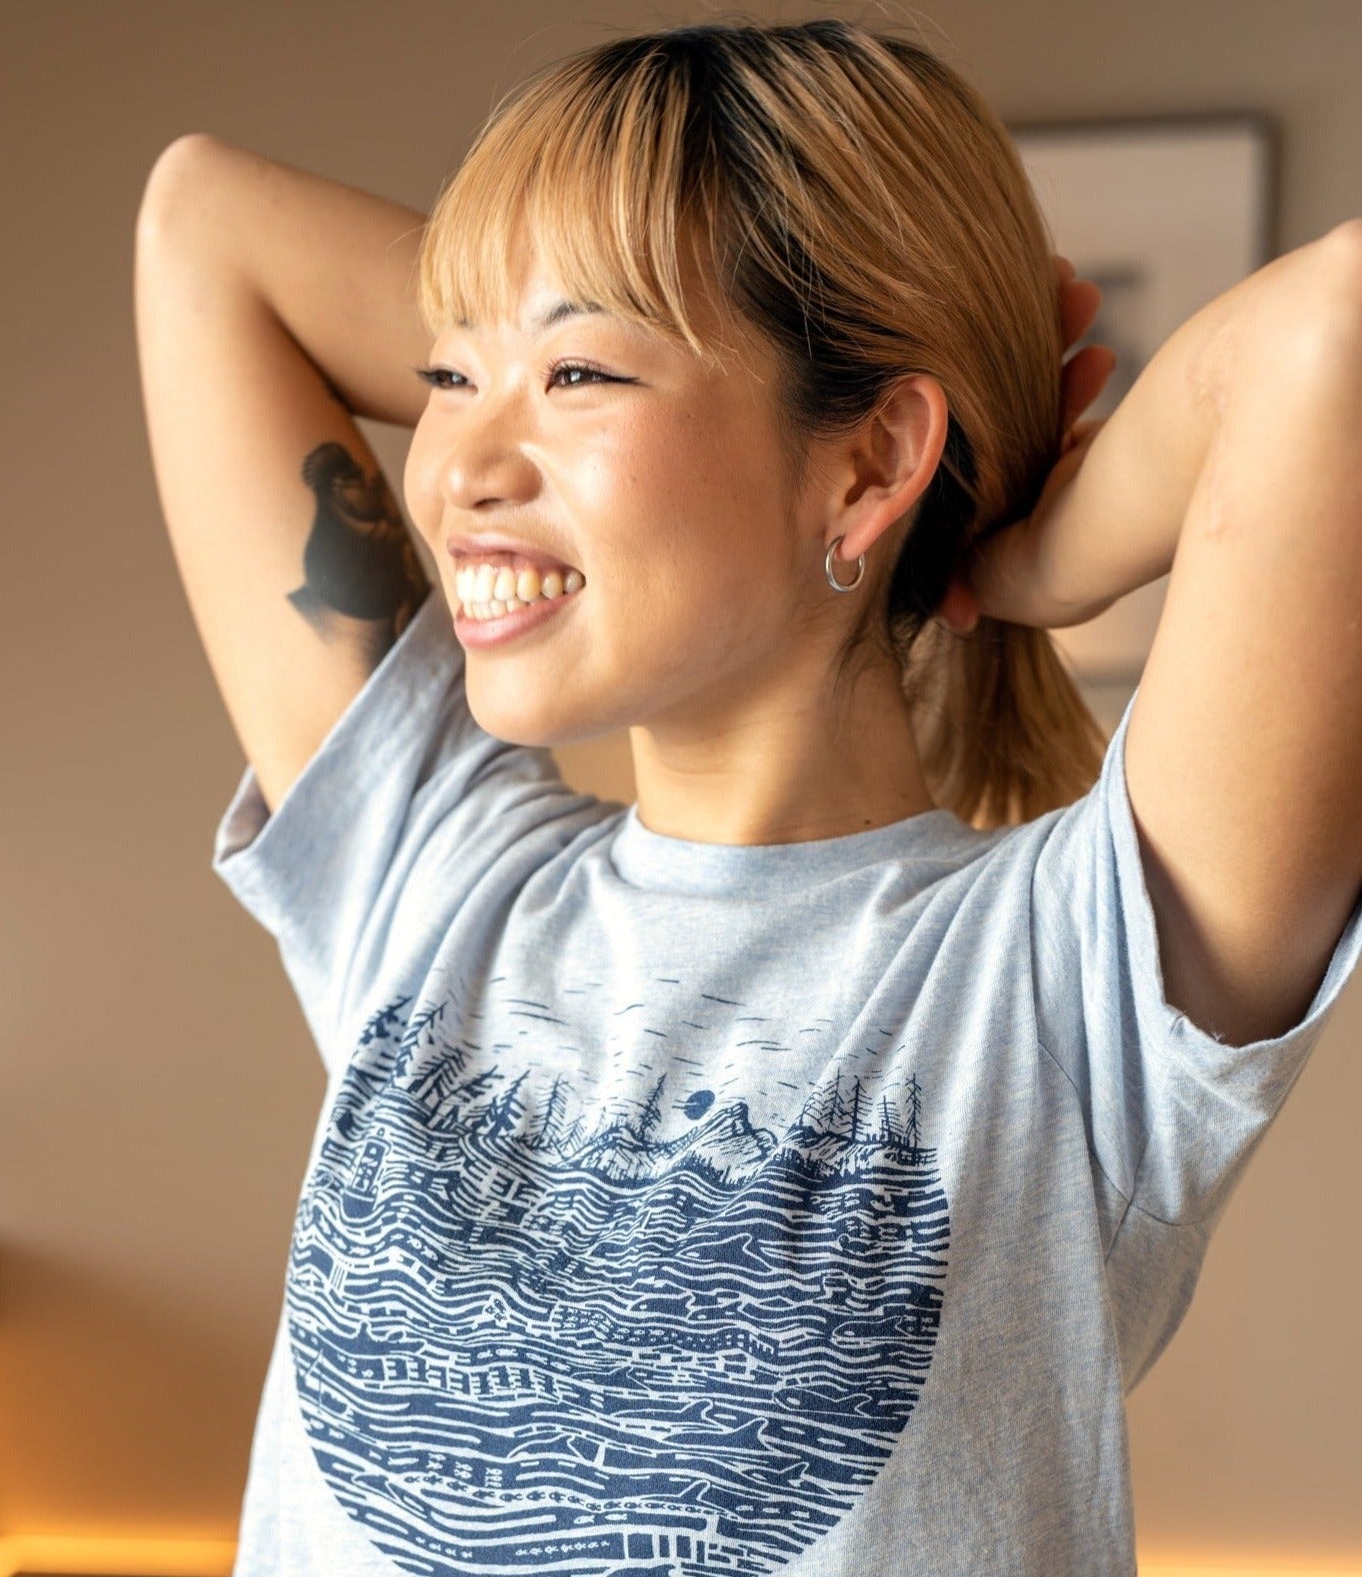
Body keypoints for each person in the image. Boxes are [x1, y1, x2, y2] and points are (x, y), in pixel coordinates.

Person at [133, 17, 1362, 1577]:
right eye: (445, 372)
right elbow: (200, 222)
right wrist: (544, 341)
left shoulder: (1065, 980)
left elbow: (1339, 327)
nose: (452, 465)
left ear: (865, 464)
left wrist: (1023, 553)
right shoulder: (432, 880)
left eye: (577, 369)